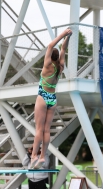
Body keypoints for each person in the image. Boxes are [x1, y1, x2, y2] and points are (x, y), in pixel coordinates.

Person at [31, 28, 72, 169]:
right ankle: (42, 157)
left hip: (43, 97)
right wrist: (68, 37)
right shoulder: (60, 67)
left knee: (39, 129)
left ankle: (33, 156)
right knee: (46, 130)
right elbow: (63, 49)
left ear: (49, 57)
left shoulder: (47, 66)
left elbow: (50, 46)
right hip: (52, 99)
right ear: (58, 58)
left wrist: (63, 34)